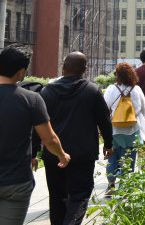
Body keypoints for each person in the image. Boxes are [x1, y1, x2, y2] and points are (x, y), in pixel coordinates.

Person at [40, 52, 113, 225]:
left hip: (53, 154)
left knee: (56, 196)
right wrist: (108, 144)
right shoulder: (92, 90)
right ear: (84, 69)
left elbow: (38, 123)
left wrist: (34, 150)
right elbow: (104, 120)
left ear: (63, 67)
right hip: (83, 153)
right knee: (80, 195)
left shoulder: (46, 91)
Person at [0, 47, 70, 224]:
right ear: (21, 72)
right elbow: (49, 139)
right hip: (15, 182)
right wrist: (62, 155)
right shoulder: (31, 99)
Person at [103, 63, 145, 192]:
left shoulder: (111, 89)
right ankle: (124, 186)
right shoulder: (136, 89)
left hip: (114, 129)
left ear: (117, 75)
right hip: (133, 129)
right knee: (129, 157)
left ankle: (111, 183)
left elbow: (104, 109)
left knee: (112, 156)